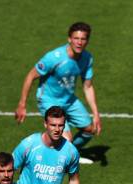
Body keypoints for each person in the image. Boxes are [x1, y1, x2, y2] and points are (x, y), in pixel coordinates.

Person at [14, 22, 101, 164]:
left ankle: (71, 154)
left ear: (87, 40)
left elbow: (88, 87)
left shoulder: (87, 58)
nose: (79, 42)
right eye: (76, 38)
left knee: (90, 129)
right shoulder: (54, 57)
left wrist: (96, 114)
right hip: (49, 100)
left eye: (83, 39)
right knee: (66, 137)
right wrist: (22, 104)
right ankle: (50, 160)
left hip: (69, 100)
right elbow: (30, 76)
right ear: (69, 39)